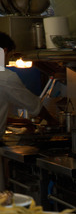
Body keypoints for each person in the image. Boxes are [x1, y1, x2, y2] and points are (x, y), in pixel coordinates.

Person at [0, 32, 43, 190]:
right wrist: (51, 120)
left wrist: (17, 121)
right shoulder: (5, 76)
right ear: (5, 51)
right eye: (10, 55)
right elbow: (34, 105)